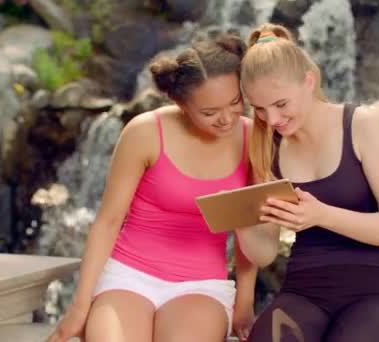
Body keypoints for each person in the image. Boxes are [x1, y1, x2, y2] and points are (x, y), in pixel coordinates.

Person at [47, 33, 257, 342]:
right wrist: (80, 306)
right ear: (180, 103)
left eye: (235, 103)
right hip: (127, 277)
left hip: (201, 286)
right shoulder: (145, 132)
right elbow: (108, 221)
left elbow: (248, 230)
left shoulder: (253, 139)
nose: (226, 119)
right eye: (210, 113)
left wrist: (245, 301)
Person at [234, 23, 379, 341]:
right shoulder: (267, 146)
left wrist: (322, 215)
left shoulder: (363, 125)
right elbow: (264, 255)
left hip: (374, 294)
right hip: (303, 293)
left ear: (309, 81)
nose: (272, 120)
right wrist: (238, 216)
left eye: (281, 105)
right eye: (260, 110)